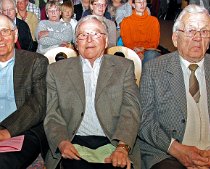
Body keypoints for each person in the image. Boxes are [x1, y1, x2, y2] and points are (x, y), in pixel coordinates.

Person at [44, 15, 141, 169]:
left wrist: (123, 147)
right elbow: (52, 113)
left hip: (114, 140)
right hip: (73, 139)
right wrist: (62, 142)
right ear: (76, 43)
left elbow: (131, 109)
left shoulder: (123, 68)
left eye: (95, 34)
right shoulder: (57, 71)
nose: (89, 40)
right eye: (83, 35)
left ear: (106, 40)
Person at [139, 4, 210, 169]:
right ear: (175, 38)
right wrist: (177, 149)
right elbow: (144, 121)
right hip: (167, 154)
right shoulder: (154, 69)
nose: (198, 38)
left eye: (205, 32)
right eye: (191, 31)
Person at [0, 14, 48, 169]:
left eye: (5, 31)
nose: (0, 38)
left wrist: (6, 131)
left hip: (24, 130)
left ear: (15, 35)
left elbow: (38, 105)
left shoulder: (35, 62)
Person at [120, 0, 160, 64]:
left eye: (144, 1)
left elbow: (154, 42)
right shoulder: (126, 22)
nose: (142, 4)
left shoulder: (154, 21)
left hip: (148, 51)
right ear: (133, 5)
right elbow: (127, 43)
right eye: (139, 2)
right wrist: (138, 52)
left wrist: (143, 49)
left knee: (152, 55)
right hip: (132, 51)